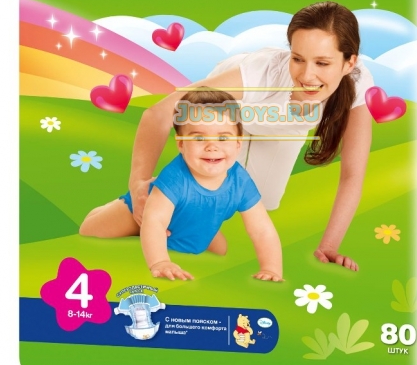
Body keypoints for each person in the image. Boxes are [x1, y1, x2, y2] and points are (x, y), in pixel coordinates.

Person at [97, 1, 373, 271]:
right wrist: (138, 184)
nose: (307, 75)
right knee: (205, 179)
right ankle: (158, 211)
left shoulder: (358, 84)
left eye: (322, 63)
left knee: (265, 200)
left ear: (349, 62)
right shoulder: (262, 72)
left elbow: (353, 173)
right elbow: (158, 114)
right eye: (297, 59)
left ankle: (200, 221)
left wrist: (329, 245)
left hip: (282, 124)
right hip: (230, 112)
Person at [80, 89, 283, 282]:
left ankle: (197, 220)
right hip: (143, 213)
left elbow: (262, 229)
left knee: (221, 250)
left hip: (190, 224)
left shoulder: (240, 181)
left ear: (238, 144)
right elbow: (155, 221)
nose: (212, 146)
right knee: (90, 228)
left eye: (223, 137)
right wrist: (160, 262)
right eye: (199, 137)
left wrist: (271, 268)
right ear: (181, 144)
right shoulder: (175, 176)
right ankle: (114, 206)